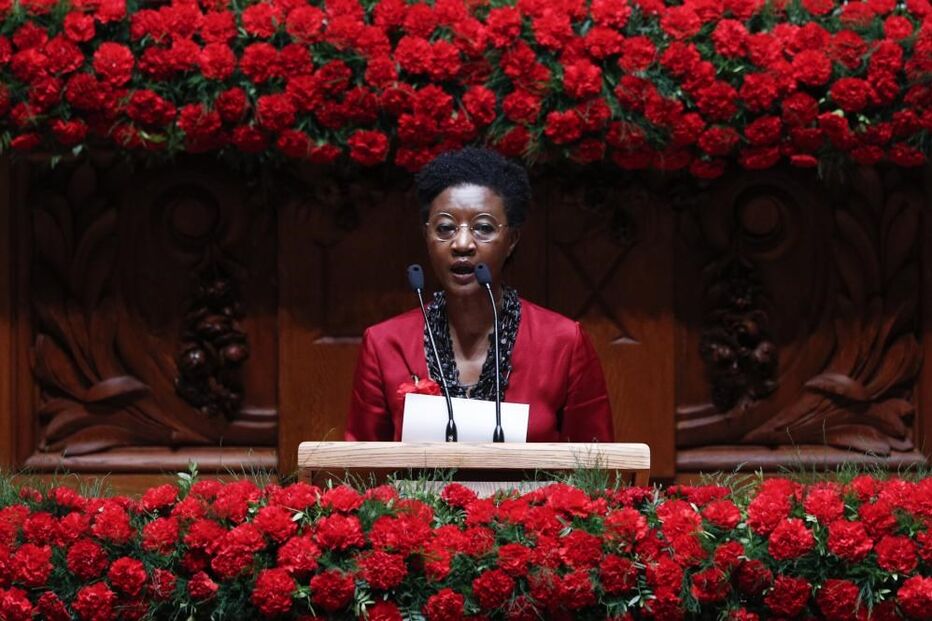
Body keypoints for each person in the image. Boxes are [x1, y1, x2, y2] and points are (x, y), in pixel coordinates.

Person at [345, 147, 614, 442]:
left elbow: (596, 462)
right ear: (426, 236)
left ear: (511, 240)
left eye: (483, 228)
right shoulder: (385, 344)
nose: (462, 244)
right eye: (445, 228)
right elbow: (360, 463)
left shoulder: (563, 343)